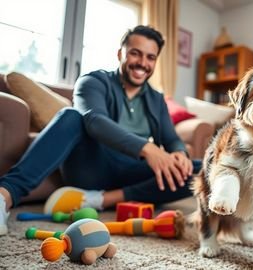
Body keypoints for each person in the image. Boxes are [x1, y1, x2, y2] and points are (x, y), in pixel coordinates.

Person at [0, 25, 200, 235]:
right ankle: (4, 197)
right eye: (135, 53)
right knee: (71, 116)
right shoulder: (92, 81)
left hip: (133, 171)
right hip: (92, 167)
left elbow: (171, 138)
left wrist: (179, 153)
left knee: (200, 169)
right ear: (120, 53)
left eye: (150, 57)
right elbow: (95, 121)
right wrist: (148, 149)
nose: (142, 63)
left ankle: (102, 199)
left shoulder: (156, 99)